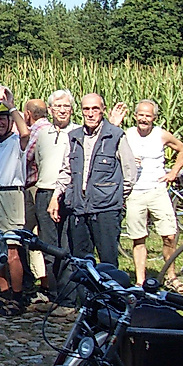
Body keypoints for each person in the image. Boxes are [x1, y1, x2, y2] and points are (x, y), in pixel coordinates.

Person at [50, 93, 136, 269]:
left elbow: (130, 174)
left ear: (103, 110)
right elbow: (66, 171)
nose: (90, 113)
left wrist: (114, 198)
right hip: (79, 208)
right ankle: (86, 288)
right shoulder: (73, 137)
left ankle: (109, 287)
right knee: (81, 261)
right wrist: (55, 196)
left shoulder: (116, 136)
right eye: (86, 109)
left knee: (108, 261)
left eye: (95, 109)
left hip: (106, 210)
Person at [117, 99, 183, 287]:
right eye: (140, 115)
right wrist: (127, 160)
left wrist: (173, 173)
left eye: (148, 116)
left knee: (170, 235)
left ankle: (171, 276)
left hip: (157, 190)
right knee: (138, 238)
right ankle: (140, 281)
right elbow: (113, 154)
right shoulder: (127, 135)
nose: (143, 119)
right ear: (135, 116)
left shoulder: (161, 135)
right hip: (135, 192)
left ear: (154, 118)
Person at [0, 97, 31, 316]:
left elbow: (25, 133)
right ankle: (4, 291)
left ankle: (17, 296)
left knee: (11, 250)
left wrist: (12, 108)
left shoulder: (17, 141)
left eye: (2, 119)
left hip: (11, 195)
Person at [23, 98, 67, 309]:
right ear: (49, 110)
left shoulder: (70, 133)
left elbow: (27, 158)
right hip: (45, 188)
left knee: (60, 243)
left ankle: (59, 291)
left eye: (66, 106)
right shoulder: (45, 132)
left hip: (53, 190)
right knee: (49, 242)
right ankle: (53, 289)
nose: (61, 110)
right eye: (57, 107)